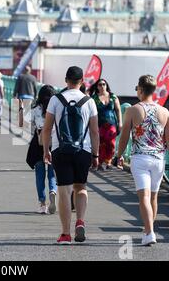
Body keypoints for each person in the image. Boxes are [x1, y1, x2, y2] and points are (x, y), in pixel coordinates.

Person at [115, 75, 169, 246]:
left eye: (137, 88)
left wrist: (119, 155)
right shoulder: (165, 112)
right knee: (153, 197)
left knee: (143, 197)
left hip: (140, 158)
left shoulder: (133, 110)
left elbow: (124, 138)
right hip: (158, 160)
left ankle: (149, 232)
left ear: (141, 89)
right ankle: (148, 230)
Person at [42, 66, 99, 244]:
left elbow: (47, 128)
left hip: (61, 150)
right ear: (82, 82)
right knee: (81, 187)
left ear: (66, 80)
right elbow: (95, 131)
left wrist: (46, 150)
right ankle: (80, 221)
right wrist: (96, 155)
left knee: (64, 191)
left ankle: (65, 233)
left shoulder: (56, 99)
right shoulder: (89, 101)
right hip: (83, 150)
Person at [28, 85, 58, 214]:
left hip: (39, 142)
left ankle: (42, 203)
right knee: (53, 172)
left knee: (39, 174)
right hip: (54, 142)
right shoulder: (56, 108)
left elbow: (29, 125)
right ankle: (53, 191)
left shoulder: (35, 109)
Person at [88, 79, 123, 170]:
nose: (102, 86)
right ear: (97, 87)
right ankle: (99, 163)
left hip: (111, 124)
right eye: (100, 85)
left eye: (104, 84)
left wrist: (120, 123)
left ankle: (109, 163)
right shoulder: (94, 98)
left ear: (106, 85)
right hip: (99, 124)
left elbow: (118, 110)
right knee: (100, 144)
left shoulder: (113, 96)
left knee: (111, 144)